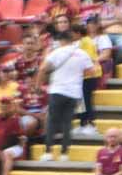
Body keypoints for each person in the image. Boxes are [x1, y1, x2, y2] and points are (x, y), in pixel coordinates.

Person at [37, 27, 95, 162]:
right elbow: (91, 71)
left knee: (52, 121)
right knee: (67, 123)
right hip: (74, 92)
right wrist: (77, 76)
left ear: (62, 41)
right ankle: (64, 154)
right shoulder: (82, 53)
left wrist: (38, 85)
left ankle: (48, 152)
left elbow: (42, 68)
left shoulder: (56, 52)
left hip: (58, 90)